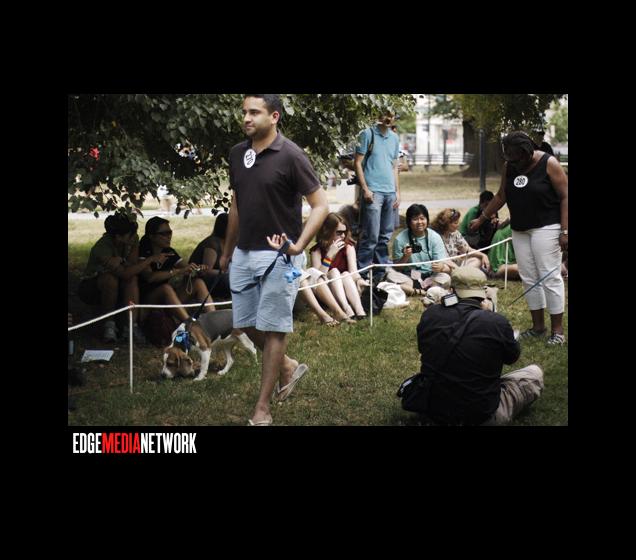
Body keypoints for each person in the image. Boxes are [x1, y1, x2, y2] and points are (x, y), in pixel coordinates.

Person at [220, 94, 329, 427]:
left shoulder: (292, 155)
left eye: (254, 112)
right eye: (244, 112)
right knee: (244, 322)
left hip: (280, 255)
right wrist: (227, 249)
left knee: (274, 328)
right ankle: (286, 366)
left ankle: (262, 407)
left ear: (275, 116)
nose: (246, 118)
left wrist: (300, 244)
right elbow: (237, 205)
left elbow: (321, 205)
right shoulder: (237, 153)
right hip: (243, 252)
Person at [409, 267, 544, 425]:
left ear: (452, 290)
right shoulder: (496, 322)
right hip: (480, 415)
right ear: (483, 292)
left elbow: (423, 349)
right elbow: (512, 357)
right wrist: (491, 316)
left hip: (433, 410)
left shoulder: (429, 314)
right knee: (534, 373)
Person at [469, 131, 568, 345]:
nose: (513, 162)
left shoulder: (549, 163)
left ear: (527, 152)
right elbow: (501, 196)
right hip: (520, 229)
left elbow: (565, 196)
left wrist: (565, 231)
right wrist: (482, 218)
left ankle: (557, 331)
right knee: (529, 277)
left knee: (549, 276)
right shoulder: (510, 166)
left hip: (547, 227)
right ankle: (538, 327)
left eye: (516, 158)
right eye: (509, 157)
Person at [77, 212, 156, 343]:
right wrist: (150, 260)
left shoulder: (132, 238)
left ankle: (130, 326)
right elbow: (125, 273)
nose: (134, 237)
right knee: (110, 279)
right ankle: (109, 325)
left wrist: (122, 260)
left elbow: (131, 265)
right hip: (93, 287)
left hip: (120, 279)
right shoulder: (102, 247)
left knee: (132, 279)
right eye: (130, 235)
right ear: (118, 237)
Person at [138, 216, 214, 323]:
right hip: (147, 300)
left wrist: (197, 269)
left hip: (167, 299)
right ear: (152, 236)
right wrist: (178, 271)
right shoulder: (142, 251)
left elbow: (186, 267)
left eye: (170, 232)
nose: (169, 236)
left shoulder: (169, 252)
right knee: (166, 288)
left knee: (198, 283)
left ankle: (214, 319)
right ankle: (189, 324)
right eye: (164, 234)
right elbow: (150, 277)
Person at [355, 109, 401, 283]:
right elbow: (357, 162)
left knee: (385, 237)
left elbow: (394, 166)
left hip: (390, 192)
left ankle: (380, 275)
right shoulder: (367, 134)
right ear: (378, 115)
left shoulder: (394, 138)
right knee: (371, 236)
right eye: (385, 114)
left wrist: (397, 191)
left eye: (392, 115)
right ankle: (362, 275)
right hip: (373, 191)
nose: (389, 118)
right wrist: (365, 189)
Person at [310, 212, 368, 321]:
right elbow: (317, 280)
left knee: (345, 274)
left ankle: (359, 310)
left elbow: (353, 272)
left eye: (344, 232)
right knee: (334, 272)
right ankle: (346, 309)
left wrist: (360, 280)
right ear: (328, 231)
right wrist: (329, 256)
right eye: (339, 232)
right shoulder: (316, 251)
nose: (343, 236)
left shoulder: (348, 247)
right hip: (328, 295)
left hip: (348, 291)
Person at [391, 204, 452, 295]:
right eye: (415, 219)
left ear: (427, 220)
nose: (419, 222)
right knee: (391, 275)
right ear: (409, 221)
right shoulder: (400, 239)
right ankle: (427, 291)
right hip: (409, 277)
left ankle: (415, 290)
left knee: (445, 278)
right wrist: (405, 257)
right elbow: (397, 268)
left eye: (422, 218)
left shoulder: (435, 237)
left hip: (431, 276)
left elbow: (441, 262)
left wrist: (440, 267)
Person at [296, 252, 357, 327]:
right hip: (287, 295)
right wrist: (328, 257)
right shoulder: (315, 251)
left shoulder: (299, 251)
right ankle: (323, 316)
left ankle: (338, 312)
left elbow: (313, 274)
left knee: (312, 271)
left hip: (301, 293)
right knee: (297, 274)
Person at [189, 212, 231, 301]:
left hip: (219, 276)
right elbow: (206, 271)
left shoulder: (228, 243)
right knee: (229, 278)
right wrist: (226, 272)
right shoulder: (212, 244)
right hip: (203, 281)